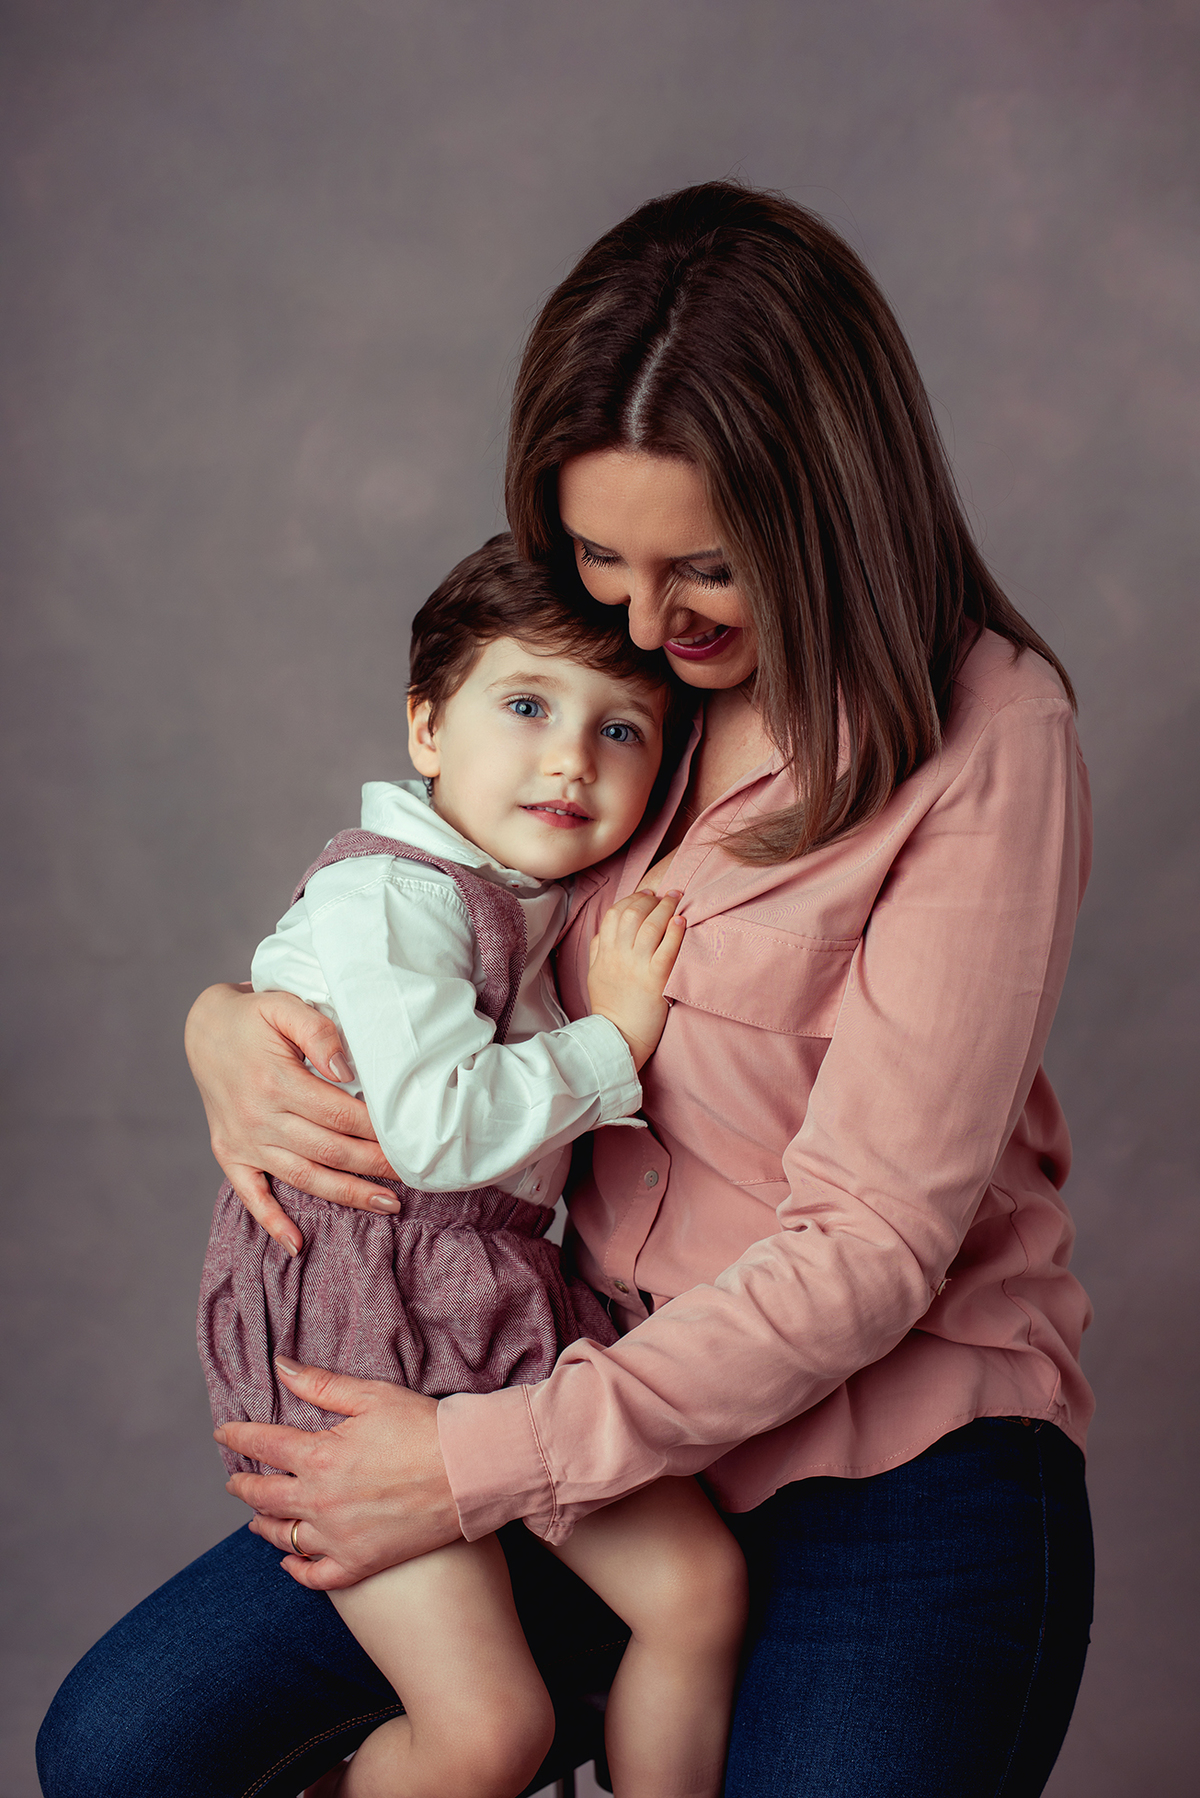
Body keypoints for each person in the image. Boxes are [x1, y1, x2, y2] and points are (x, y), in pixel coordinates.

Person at [38, 181, 1095, 1798]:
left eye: (707, 573)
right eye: (603, 557)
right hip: (558, 1362)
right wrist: (225, 1027)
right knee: (126, 1749)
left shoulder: (989, 730)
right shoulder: (604, 688)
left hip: (884, 1455)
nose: (647, 625)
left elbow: (874, 1243)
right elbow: (414, 923)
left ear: (830, 515)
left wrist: (472, 1463)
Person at [200, 533, 747, 1798]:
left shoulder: (527, 894)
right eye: (526, 705)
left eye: (625, 731)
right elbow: (436, 1128)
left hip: (493, 1304)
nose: (571, 755)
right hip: (357, 1329)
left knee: (697, 1591)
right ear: (426, 727)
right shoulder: (391, 897)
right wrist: (617, 1038)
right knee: (489, 1729)